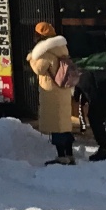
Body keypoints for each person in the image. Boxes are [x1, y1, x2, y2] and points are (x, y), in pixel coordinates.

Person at [29, 21, 78, 165]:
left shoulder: (46, 52)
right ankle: (70, 154)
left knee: (56, 125)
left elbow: (39, 69)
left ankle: (61, 156)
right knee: (64, 124)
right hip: (63, 90)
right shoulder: (61, 48)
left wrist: (31, 57)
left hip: (51, 91)